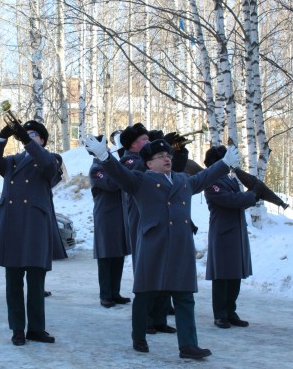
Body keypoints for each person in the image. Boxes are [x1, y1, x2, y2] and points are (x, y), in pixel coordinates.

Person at [83, 135, 241, 360]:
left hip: (181, 246)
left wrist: (224, 164)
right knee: (145, 295)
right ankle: (139, 336)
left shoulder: (182, 180)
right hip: (153, 245)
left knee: (185, 297)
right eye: (160, 156)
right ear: (149, 163)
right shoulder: (139, 181)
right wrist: (104, 156)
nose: (167, 159)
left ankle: (188, 345)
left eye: (168, 155)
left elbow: (204, 178)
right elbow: (120, 174)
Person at [0, 119, 62, 346]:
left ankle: (36, 329)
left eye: (34, 135)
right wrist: (2, 136)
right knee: (14, 282)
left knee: (36, 283)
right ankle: (17, 328)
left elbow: (47, 165)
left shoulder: (51, 159)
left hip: (35, 226)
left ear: (43, 140)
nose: (28, 137)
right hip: (12, 225)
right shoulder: (12, 162)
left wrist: (27, 141)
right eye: (26, 134)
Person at [120, 125, 174, 333]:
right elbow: (137, 176)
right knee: (147, 272)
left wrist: (174, 150)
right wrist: (153, 156)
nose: (149, 142)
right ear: (133, 144)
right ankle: (148, 320)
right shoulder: (130, 161)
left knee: (165, 268)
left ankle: (160, 317)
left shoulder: (149, 159)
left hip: (160, 217)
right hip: (141, 218)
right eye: (145, 139)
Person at [203, 145, 256, 329]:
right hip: (223, 233)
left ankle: (231, 311)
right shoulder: (211, 182)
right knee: (222, 276)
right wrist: (253, 195)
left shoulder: (229, 179)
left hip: (236, 232)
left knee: (234, 275)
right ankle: (220, 314)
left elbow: (237, 198)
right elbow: (230, 201)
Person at [88, 135, 130, 308]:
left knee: (118, 254)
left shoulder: (112, 165)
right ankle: (105, 294)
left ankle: (115, 292)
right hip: (105, 216)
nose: (107, 149)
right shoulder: (96, 169)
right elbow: (113, 183)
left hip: (119, 215)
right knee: (106, 256)